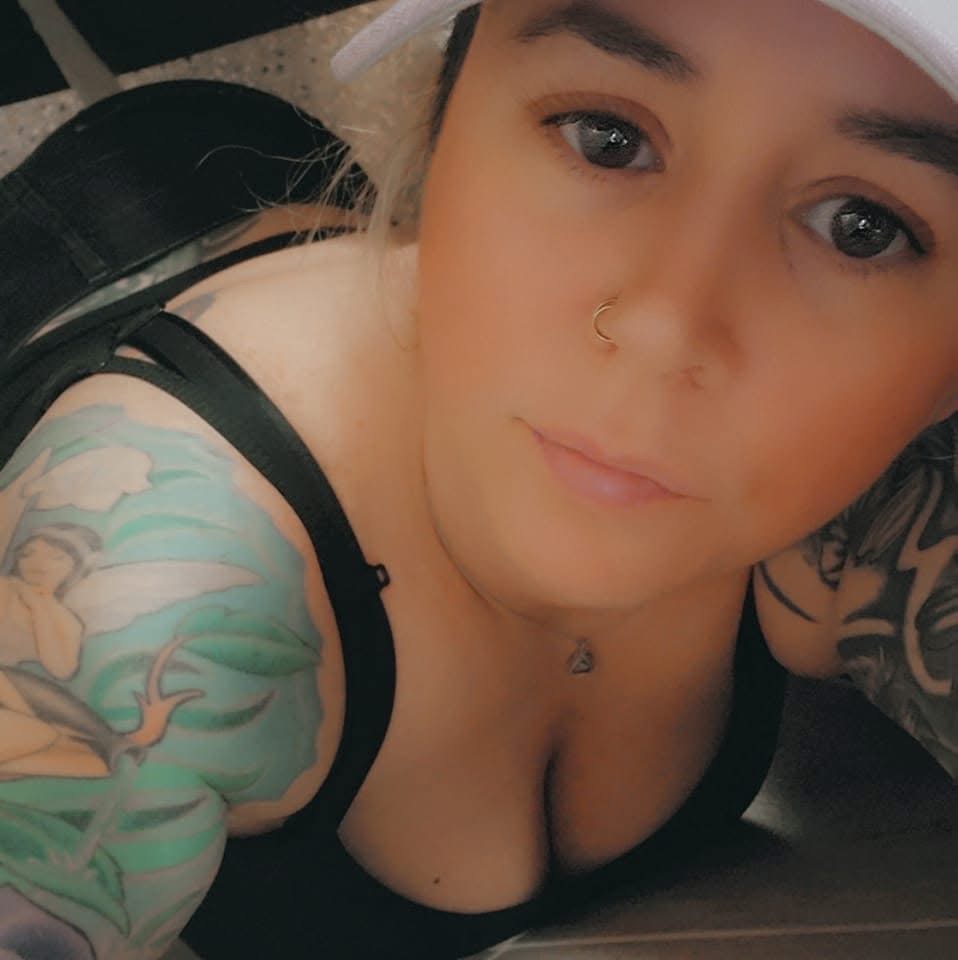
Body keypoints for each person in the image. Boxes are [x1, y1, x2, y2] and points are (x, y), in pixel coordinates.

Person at [0, 0, 955, 957]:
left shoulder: (873, 482)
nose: (665, 329)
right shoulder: (147, 589)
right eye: (607, 137)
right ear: (437, 124)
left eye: (862, 228)